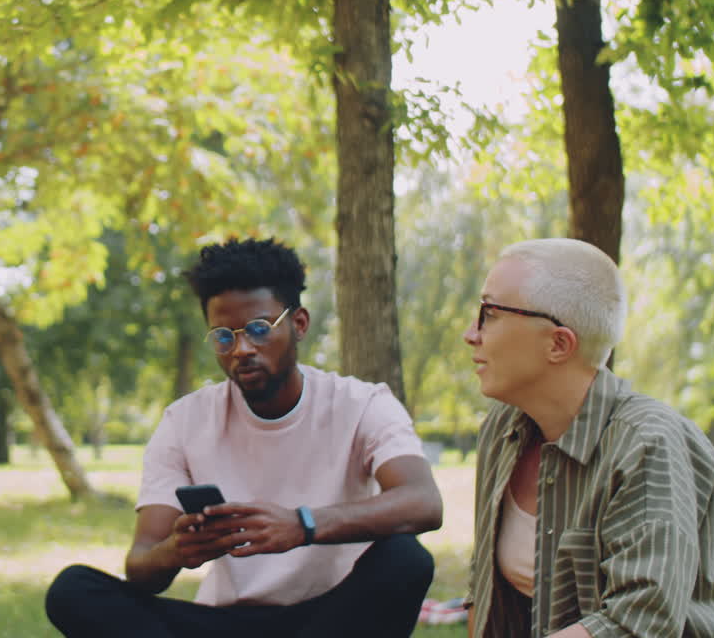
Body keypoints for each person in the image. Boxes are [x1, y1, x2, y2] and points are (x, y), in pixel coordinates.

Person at [45, 237, 443, 637]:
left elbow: (422, 502)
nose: (241, 349)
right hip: (226, 622)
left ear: (299, 323)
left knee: (406, 558)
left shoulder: (362, 404)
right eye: (223, 336)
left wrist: (304, 525)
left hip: (329, 618)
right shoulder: (185, 422)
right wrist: (176, 551)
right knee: (74, 590)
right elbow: (142, 564)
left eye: (258, 329)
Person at [463, 238, 714, 638]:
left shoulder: (647, 442)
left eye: (490, 313)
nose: (471, 334)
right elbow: (484, 591)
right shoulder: (503, 429)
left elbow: (639, 622)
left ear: (559, 343)